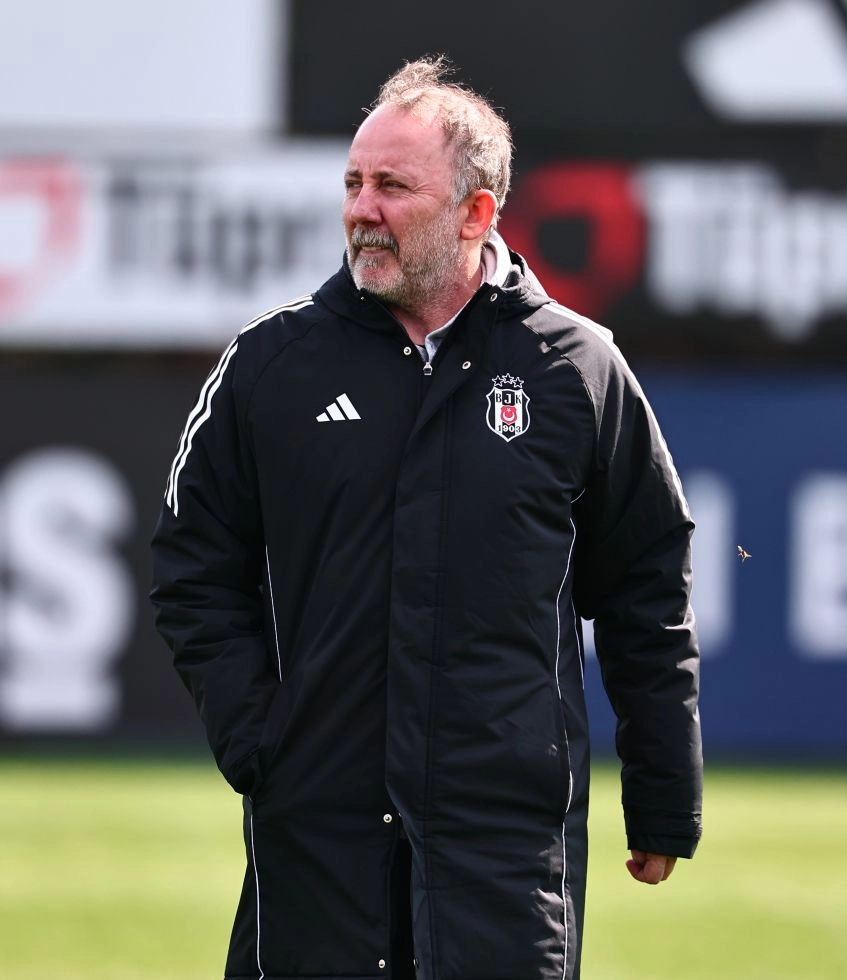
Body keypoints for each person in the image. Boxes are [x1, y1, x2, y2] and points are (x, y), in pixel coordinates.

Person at [151, 56, 702, 980]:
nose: (361, 209)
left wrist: (661, 796)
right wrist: (259, 737)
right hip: (317, 836)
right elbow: (191, 565)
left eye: (393, 187)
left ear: (475, 213)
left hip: (505, 843)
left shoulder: (577, 369)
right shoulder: (270, 364)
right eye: (353, 183)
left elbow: (648, 591)